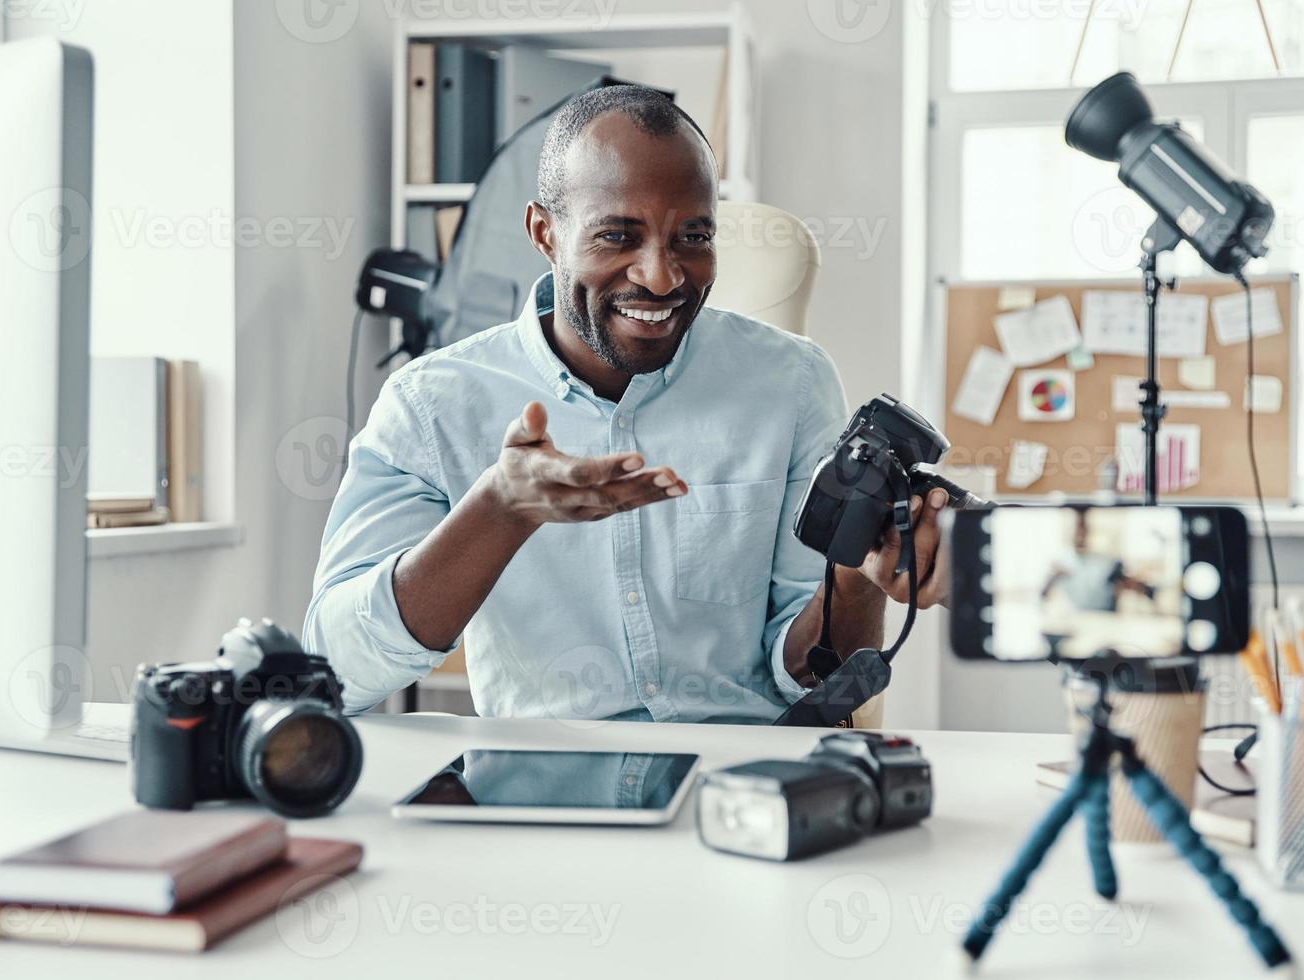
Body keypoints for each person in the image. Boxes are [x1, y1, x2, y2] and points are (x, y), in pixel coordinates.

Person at [305, 85, 947, 722]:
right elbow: (335, 671)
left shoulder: (792, 382)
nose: (662, 276)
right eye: (617, 236)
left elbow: (814, 682)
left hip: (732, 784)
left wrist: (857, 578)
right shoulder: (433, 402)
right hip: (542, 795)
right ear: (544, 232)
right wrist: (496, 513)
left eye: (692, 238)